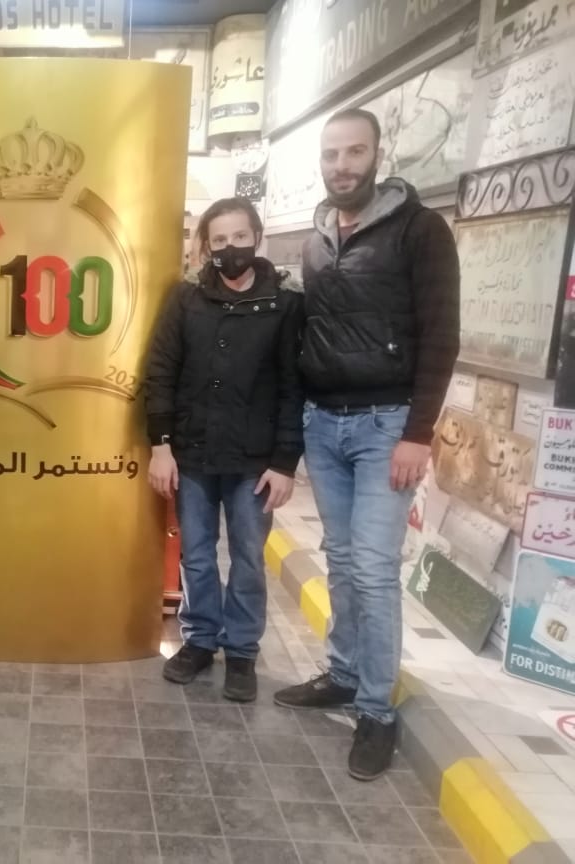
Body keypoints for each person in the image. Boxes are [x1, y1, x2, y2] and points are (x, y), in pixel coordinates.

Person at [273, 108, 460, 781]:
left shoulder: (420, 229)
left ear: (379, 154)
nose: (342, 165)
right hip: (325, 423)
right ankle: (345, 674)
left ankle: (377, 710)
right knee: (344, 559)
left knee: (376, 570)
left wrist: (418, 433)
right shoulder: (319, 239)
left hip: (387, 426)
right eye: (331, 154)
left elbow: (441, 335)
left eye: (354, 152)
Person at [145, 197, 304, 703]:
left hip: (254, 461)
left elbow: (293, 388)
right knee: (195, 555)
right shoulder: (186, 299)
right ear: (206, 246)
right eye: (219, 240)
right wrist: (161, 445)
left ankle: (241, 651)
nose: (230, 248)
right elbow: (160, 372)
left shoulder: (285, 303)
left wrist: (285, 463)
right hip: (193, 452)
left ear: (257, 237)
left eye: (239, 237)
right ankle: (199, 641)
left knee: (248, 558)